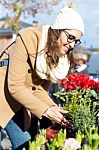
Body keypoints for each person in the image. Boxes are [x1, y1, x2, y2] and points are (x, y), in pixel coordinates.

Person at [0, 6, 84, 149]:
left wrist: (53, 108)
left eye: (76, 41)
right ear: (58, 29)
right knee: (25, 143)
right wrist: (46, 111)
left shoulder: (56, 56)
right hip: (4, 94)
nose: (72, 44)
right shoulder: (28, 38)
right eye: (70, 37)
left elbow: (38, 89)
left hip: (21, 100)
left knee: (29, 143)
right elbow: (15, 86)